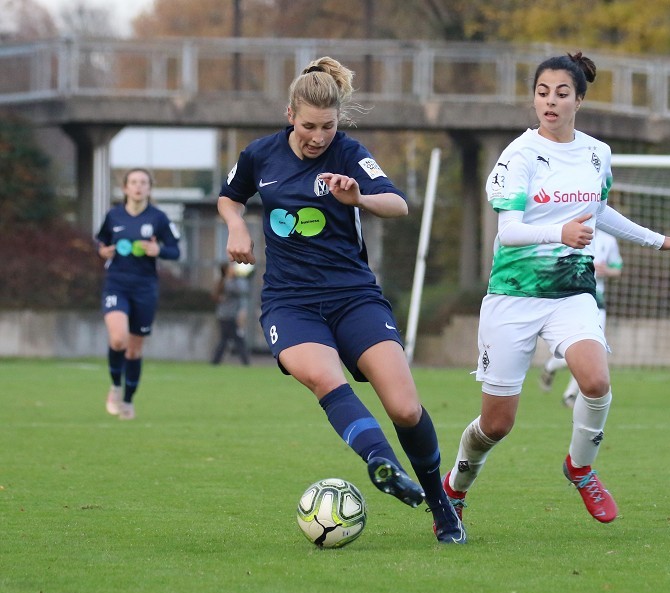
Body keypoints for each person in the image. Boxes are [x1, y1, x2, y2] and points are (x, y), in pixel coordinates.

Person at [441, 52, 670, 529]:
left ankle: (580, 468)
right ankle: (454, 488)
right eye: (542, 93)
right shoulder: (517, 156)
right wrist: (559, 232)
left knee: (597, 381)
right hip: (513, 296)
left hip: (572, 293)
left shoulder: (597, 153)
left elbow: (599, 212)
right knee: (496, 425)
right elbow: (510, 231)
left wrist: (662, 241)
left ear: (579, 99)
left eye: (562, 94)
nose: (550, 103)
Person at [217, 56, 465, 544]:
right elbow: (229, 195)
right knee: (324, 378)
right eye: (309, 126)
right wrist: (236, 224)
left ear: (338, 121)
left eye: (327, 126)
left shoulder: (350, 153)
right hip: (290, 303)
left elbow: (397, 203)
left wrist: (359, 200)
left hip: (354, 297)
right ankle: (383, 465)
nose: (317, 136)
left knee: (406, 409)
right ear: (290, 114)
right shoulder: (259, 155)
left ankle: (443, 507)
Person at [96, 168, 181, 420]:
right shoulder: (113, 216)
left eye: (143, 182)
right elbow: (100, 242)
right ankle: (115, 387)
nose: (138, 187)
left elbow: (175, 251)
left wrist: (158, 250)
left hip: (145, 287)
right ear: (125, 188)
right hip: (117, 284)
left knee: (134, 350)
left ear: (149, 188)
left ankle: (129, 401)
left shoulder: (158, 218)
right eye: (133, 182)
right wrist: (102, 251)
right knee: (118, 339)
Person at [539, 229, 623, 407]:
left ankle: (570, 394)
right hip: (571, 298)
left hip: (597, 301)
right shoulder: (570, 232)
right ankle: (551, 366)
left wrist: (606, 270)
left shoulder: (609, 241)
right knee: (575, 348)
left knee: (594, 349)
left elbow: (617, 269)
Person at [210, 261, 252, 366]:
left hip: (228, 315)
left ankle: (215, 361)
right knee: (237, 339)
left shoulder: (231, 281)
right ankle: (245, 362)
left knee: (225, 339)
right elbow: (239, 290)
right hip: (227, 316)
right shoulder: (228, 282)